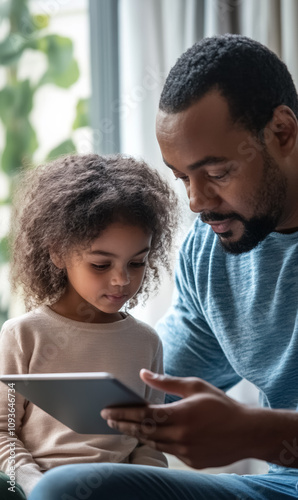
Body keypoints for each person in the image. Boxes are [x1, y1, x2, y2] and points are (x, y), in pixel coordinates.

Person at [28, 34, 298, 499]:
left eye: (216, 174)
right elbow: (147, 384)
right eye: (182, 178)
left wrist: (257, 433)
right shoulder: (211, 249)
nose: (196, 202)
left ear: (282, 132)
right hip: (281, 488)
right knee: (67, 489)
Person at [0, 153, 180, 499]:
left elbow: (147, 444)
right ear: (57, 253)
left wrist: (147, 487)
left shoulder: (146, 343)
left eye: (138, 262)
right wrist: (32, 482)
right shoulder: (23, 336)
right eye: (101, 264)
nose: (121, 280)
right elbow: (3, 431)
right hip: (32, 486)